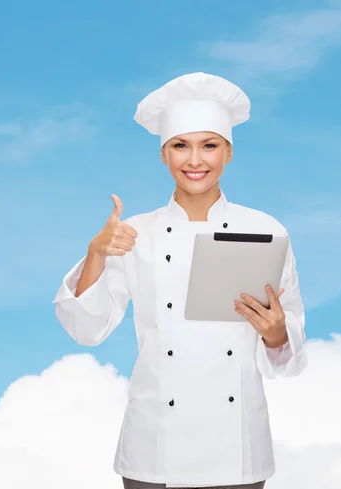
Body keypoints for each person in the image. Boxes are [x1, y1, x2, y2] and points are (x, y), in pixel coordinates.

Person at [53, 72, 308, 489]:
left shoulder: (267, 231)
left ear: (228, 153)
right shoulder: (133, 233)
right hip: (155, 444)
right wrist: (95, 252)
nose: (194, 160)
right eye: (180, 146)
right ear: (163, 155)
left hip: (237, 446)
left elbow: (289, 355)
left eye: (209, 146)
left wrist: (278, 334)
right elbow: (86, 328)